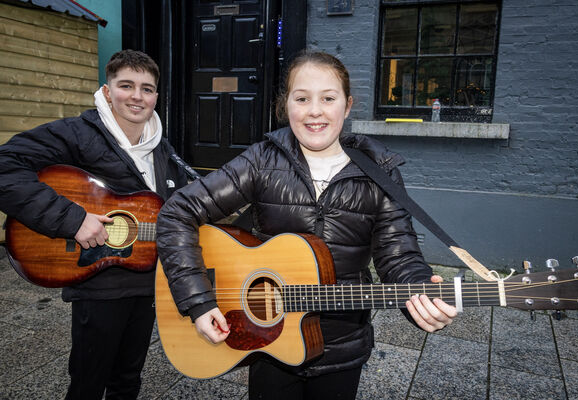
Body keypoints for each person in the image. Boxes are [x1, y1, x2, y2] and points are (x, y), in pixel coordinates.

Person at [156, 51, 457, 399]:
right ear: (286, 106)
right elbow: (177, 211)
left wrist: (419, 288)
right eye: (302, 99)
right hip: (269, 343)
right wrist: (198, 300)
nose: (315, 110)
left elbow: (398, 254)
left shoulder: (380, 171)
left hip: (342, 346)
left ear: (347, 106)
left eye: (328, 98)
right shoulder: (261, 161)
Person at [0, 50, 188, 399]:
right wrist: (72, 219)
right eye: (126, 85)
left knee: (128, 379)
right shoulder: (78, 134)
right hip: (97, 283)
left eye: (147, 89)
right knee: (88, 382)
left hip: (147, 284)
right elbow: (5, 167)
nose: (137, 96)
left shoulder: (164, 148)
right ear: (106, 91)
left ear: (156, 97)